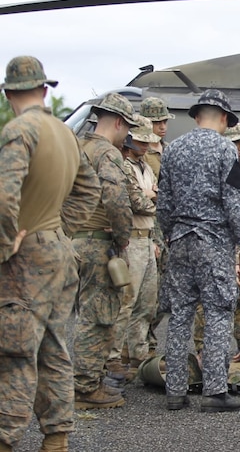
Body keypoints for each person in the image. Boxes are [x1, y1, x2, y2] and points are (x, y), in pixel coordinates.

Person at [0, 56, 100, 452]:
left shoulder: (19, 131)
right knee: (55, 348)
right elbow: (89, 190)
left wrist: (8, 241)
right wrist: (60, 227)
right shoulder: (62, 132)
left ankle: (5, 438)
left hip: (26, 257)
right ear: (44, 90)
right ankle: (56, 438)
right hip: (59, 250)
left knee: (14, 351)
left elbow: (5, 193)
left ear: (9, 94)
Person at [157, 89, 240, 412]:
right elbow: (234, 202)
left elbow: (163, 204)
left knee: (180, 315)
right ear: (224, 119)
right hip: (213, 243)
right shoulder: (226, 150)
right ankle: (214, 391)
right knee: (218, 312)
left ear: (197, 116)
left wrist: (173, 235)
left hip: (180, 241)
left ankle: (175, 391)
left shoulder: (172, 150)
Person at [71, 92, 138, 410]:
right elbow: (115, 198)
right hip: (99, 242)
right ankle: (85, 386)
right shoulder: (107, 154)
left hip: (76, 239)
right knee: (98, 317)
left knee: (85, 313)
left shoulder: (77, 147)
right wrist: (123, 239)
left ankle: (84, 380)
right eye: (128, 129)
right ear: (120, 122)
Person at [106, 115, 161, 383]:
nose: (146, 146)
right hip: (132, 240)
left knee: (147, 303)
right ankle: (113, 358)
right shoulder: (125, 166)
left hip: (148, 238)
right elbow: (136, 202)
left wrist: (152, 196)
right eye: (141, 141)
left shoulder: (145, 167)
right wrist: (154, 197)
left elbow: (149, 198)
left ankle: (137, 354)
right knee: (126, 302)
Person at [193, 122, 240, 353]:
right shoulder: (213, 169)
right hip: (218, 243)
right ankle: (203, 350)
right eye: (235, 142)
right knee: (208, 298)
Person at [140, 96, 174, 359]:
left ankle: (146, 341)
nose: (162, 126)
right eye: (156, 121)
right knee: (146, 294)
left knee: (166, 294)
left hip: (169, 228)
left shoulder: (169, 149)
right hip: (149, 228)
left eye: (163, 121)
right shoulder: (140, 153)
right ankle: (143, 346)